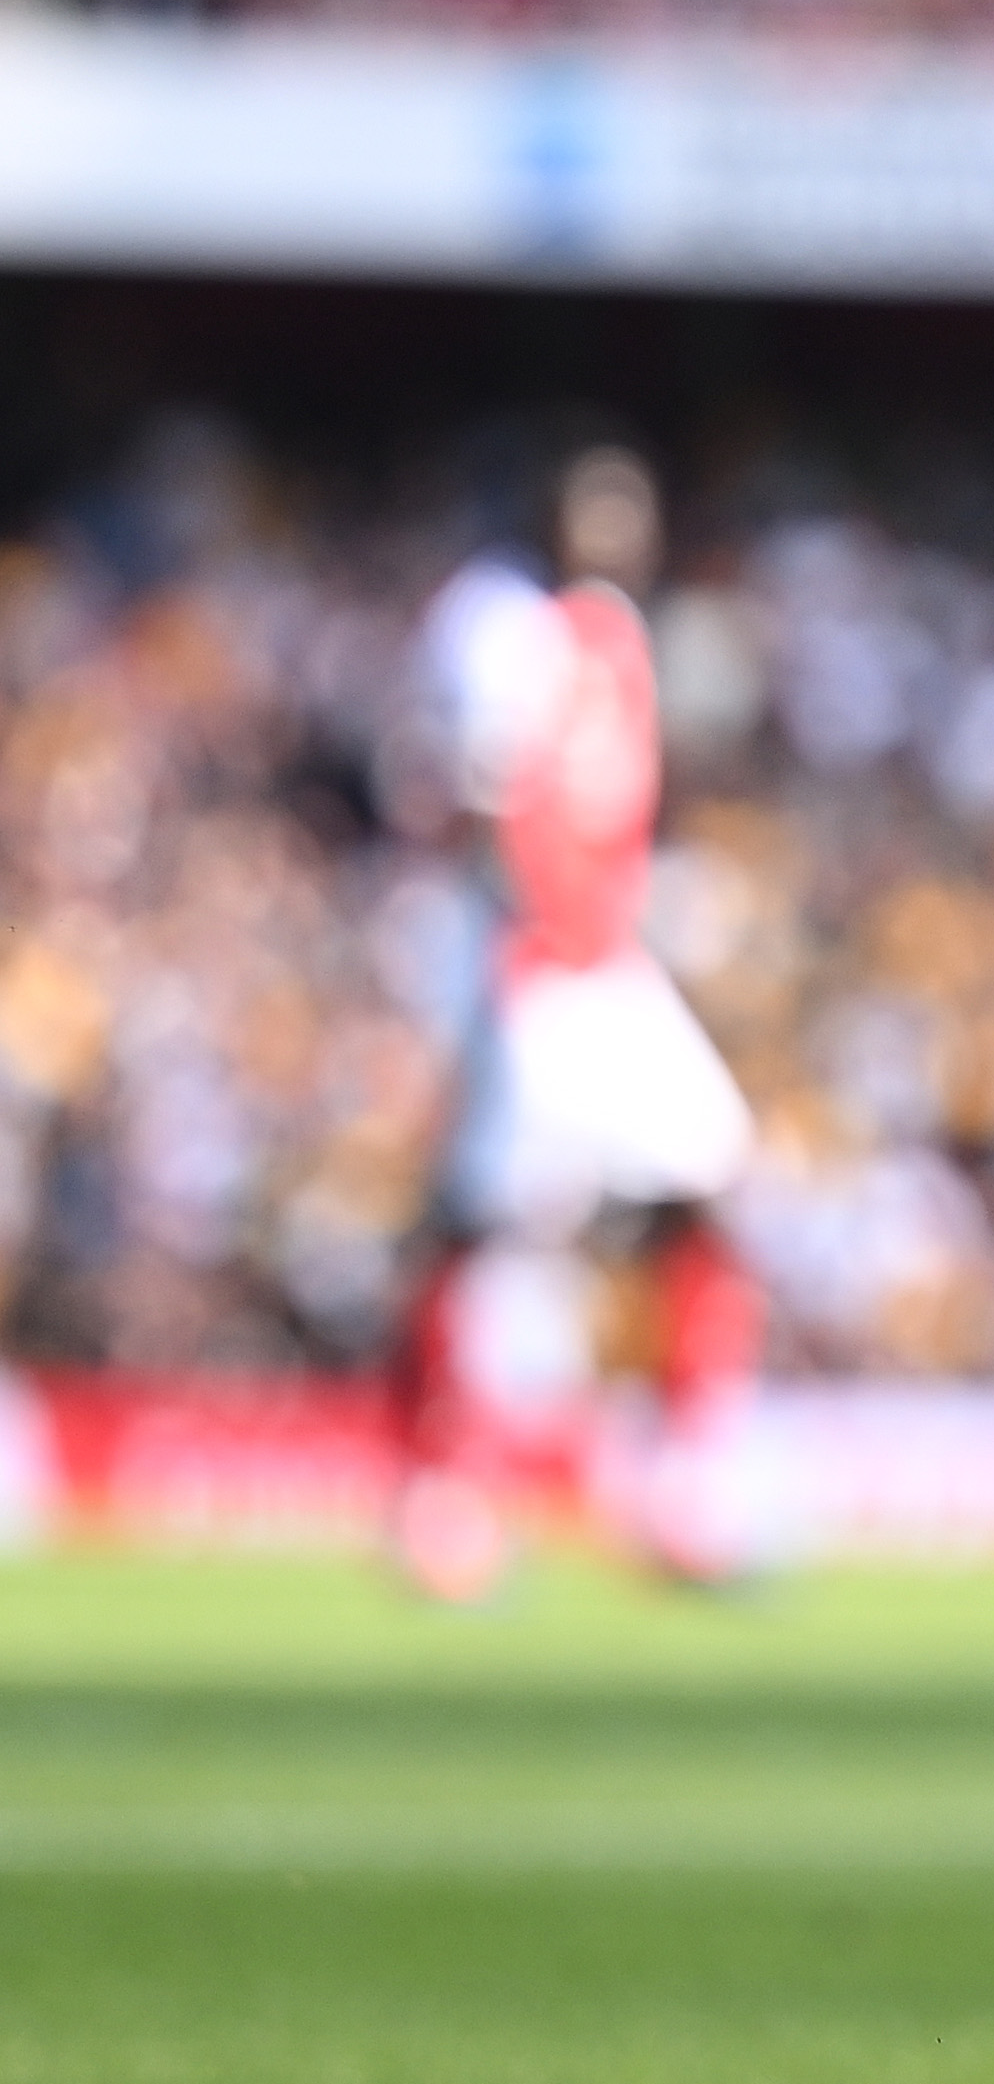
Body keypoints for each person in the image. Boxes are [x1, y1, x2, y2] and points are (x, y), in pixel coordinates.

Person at [392, 440, 760, 1602]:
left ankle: (682, 1486)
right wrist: (511, 962)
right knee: (490, 1219)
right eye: (595, 509)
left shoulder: (616, 629)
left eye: (630, 510)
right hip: (531, 960)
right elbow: (488, 802)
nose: (618, 530)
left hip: (608, 957)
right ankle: (441, 1501)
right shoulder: (501, 622)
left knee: (704, 1182)